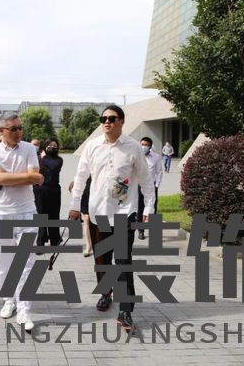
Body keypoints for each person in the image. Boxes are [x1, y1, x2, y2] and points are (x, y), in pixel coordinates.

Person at [69, 104, 155, 331]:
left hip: (124, 212)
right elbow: (80, 177)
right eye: (104, 118)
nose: (107, 122)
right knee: (102, 260)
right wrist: (75, 205)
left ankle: (126, 310)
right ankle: (106, 293)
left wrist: (148, 208)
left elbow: (146, 180)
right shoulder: (92, 146)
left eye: (112, 118)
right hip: (98, 212)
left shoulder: (133, 147)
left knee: (123, 261)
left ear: (122, 121)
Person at [0, 114, 44, 332]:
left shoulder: (29, 149)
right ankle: (9, 300)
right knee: (5, 263)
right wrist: (26, 177)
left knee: (26, 262)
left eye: (20, 128)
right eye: (13, 129)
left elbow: (34, 176)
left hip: (27, 212)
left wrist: (5, 178)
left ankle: (24, 310)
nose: (18, 132)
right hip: (2, 213)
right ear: (1, 131)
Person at [35, 138, 64, 248]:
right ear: (44, 147)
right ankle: (40, 242)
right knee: (41, 216)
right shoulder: (38, 159)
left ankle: (55, 240)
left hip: (54, 189)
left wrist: (44, 158)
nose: (52, 148)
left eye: (54, 146)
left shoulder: (59, 160)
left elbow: (54, 167)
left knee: (54, 215)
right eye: (49, 146)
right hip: (40, 190)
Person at [137, 137, 163, 240]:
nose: (144, 147)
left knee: (152, 208)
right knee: (140, 209)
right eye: (142, 144)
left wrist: (156, 186)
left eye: (146, 145)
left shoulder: (156, 157)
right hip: (139, 186)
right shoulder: (136, 156)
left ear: (150, 146)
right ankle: (141, 231)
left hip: (151, 187)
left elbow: (159, 172)